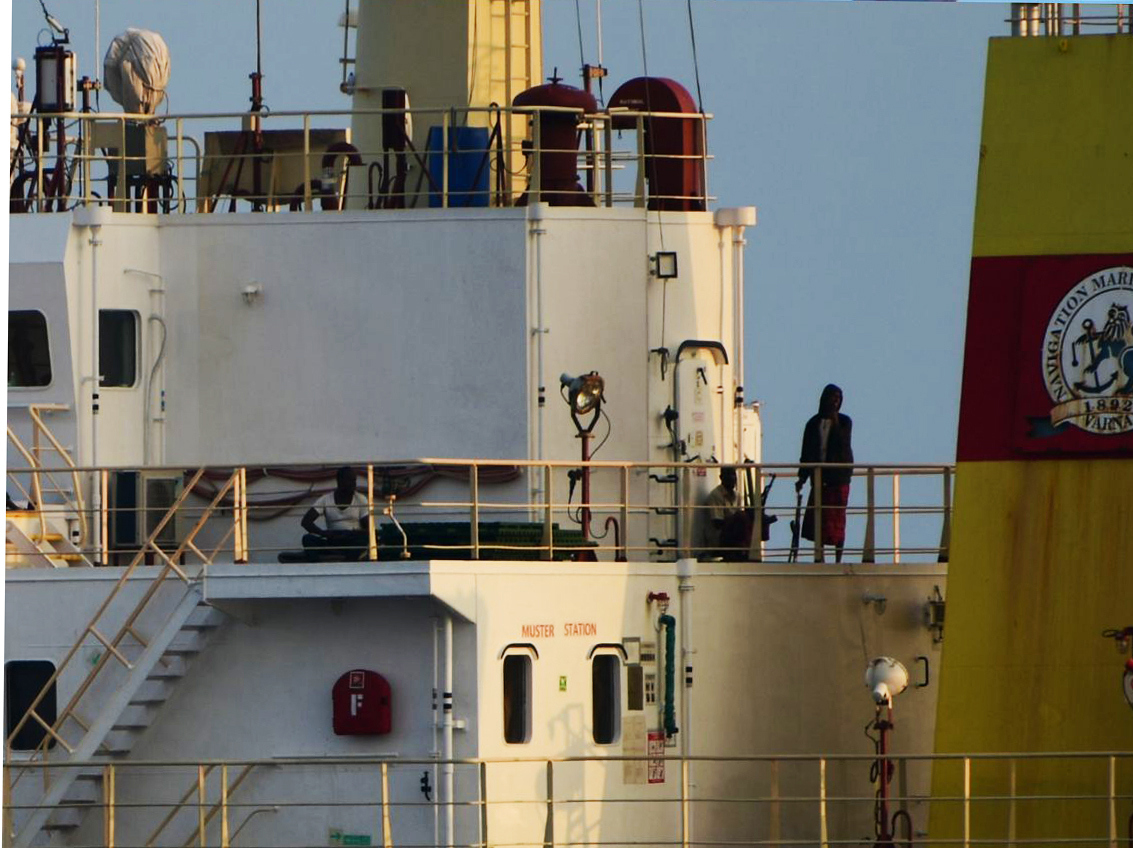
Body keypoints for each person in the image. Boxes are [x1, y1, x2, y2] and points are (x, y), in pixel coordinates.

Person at [795, 384, 853, 563]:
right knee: (819, 520)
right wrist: (802, 477)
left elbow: (843, 444)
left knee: (838, 520)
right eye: (832, 397)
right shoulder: (812, 423)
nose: (835, 402)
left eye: (838, 399)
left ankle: (838, 559)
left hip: (839, 477)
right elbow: (807, 452)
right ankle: (819, 556)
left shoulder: (844, 421)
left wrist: (835, 421)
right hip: (819, 477)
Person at [301, 466, 370, 559]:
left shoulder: (361, 499)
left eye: (354, 480)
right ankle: (318, 568)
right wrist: (324, 533)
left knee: (363, 540)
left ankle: (348, 564)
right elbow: (306, 521)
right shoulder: (325, 499)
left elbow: (369, 529)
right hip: (332, 541)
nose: (353, 484)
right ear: (339, 481)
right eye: (350, 480)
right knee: (307, 539)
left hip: (351, 541)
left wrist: (352, 534)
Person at [703, 466, 740, 556]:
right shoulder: (715, 495)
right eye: (728, 475)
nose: (732, 478)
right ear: (721, 477)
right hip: (720, 538)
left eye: (733, 475)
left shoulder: (737, 495)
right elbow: (717, 523)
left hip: (733, 535)